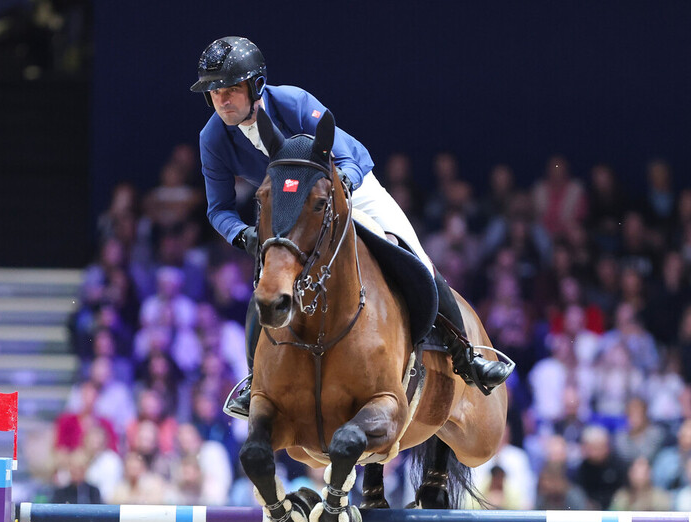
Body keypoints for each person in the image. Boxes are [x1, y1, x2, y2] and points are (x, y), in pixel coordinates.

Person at [189, 36, 511, 418]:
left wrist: (339, 189)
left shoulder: (292, 102)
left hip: (348, 184)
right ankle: (253, 379)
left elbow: (341, 153)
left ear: (255, 85)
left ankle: (466, 355)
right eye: (215, 93)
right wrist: (242, 234)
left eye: (231, 90)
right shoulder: (212, 138)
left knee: (415, 254)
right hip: (290, 212)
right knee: (267, 288)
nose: (222, 101)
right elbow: (219, 209)